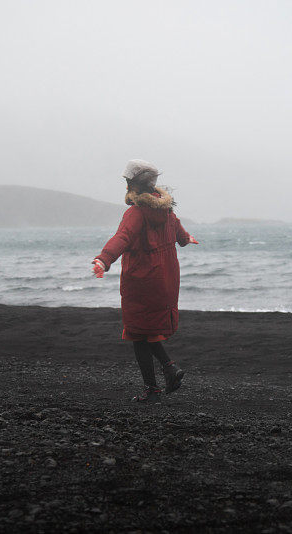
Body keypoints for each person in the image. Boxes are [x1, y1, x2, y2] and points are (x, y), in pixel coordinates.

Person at [91, 159, 199, 403]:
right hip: (167, 280)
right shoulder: (167, 210)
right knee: (147, 332)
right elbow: (178, 231)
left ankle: (154, 388)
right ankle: (169, 370)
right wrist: (186, 238)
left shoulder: (136, 213)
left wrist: (103, 260)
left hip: (142, 280)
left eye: (128, 181)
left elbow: (122, 237)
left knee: (137, 333)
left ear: (134, 184)